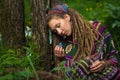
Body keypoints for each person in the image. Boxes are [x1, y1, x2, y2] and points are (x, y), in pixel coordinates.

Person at [46, 4, 120, 80]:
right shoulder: (64, 46)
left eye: (58, 26)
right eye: (55, 31)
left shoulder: (97, 29)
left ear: (67, 17)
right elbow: (71, 73)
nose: (59, 32)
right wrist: (62, 60)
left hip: (110, 74)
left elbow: (114, 57)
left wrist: (104, 63)